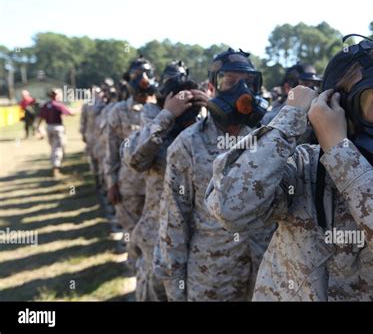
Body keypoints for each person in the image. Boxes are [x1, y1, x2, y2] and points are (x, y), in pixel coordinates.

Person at [205, 36, 373, 301]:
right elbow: (230, 208)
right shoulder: (304, 167)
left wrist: (344, 158)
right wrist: (291, 118)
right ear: (340, 107)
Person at [156, 48, 275, 301]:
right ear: (212, 86)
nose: (241, 90)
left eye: (248, 82)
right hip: (212, 277)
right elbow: (174, 222)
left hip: (266, 273)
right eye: (230, 82)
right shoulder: (188, 144)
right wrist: (176, 291)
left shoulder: (268, 138)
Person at [121, 61, 207, 301]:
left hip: (198, 236)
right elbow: (134, 159)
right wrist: (168, 114)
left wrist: (213, 110)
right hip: (157, 234)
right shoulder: (153, 119)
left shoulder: (204, 123)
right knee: (154, 292)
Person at [104, 56, 157, 270]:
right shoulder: (118, 111)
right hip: (130, 187)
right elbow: (111, 151)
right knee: (132, 234)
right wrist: (111, 183)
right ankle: (137, 276)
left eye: (146, 74)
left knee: (155, 238)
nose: (143, 80)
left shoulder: (163, 109)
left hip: (157, 187)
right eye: (137, 75)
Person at [36, 89, 74, 177]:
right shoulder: (58, 105)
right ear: (56, 95)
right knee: (58, 148)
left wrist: (38, 127)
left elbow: (40, 117)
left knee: (54, 147)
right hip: (58, 128)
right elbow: (70, 113)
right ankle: (56, 168)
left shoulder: (46, 105)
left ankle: (56, 165)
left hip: (48, 127)